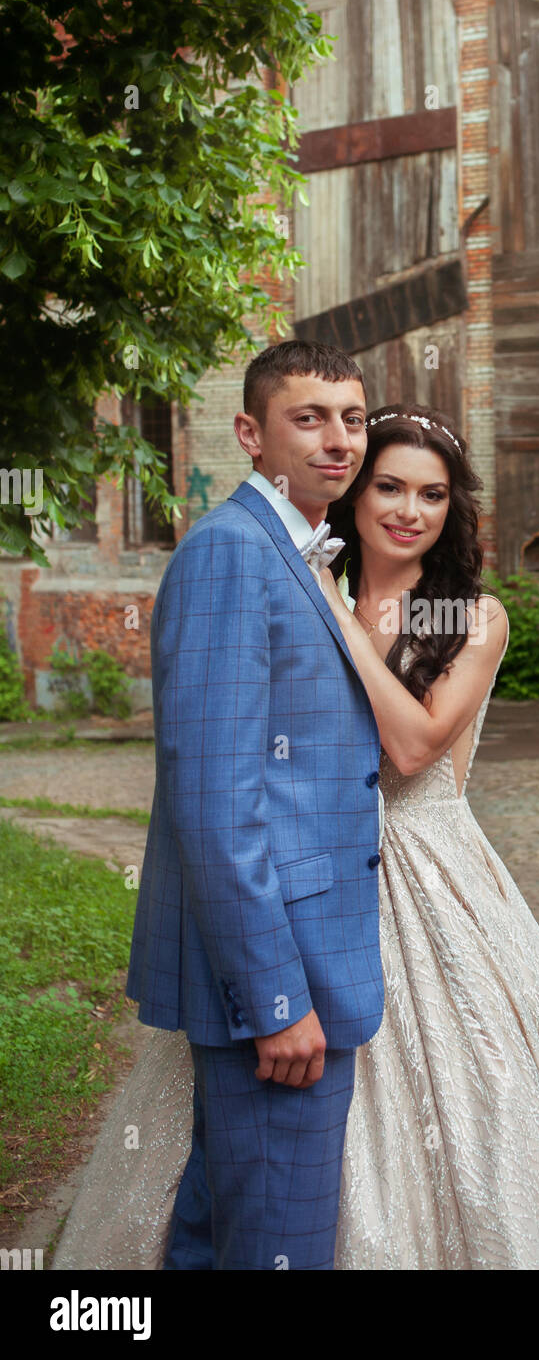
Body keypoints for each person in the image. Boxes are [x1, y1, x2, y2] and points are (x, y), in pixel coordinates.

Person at [52, 394, 539, 1271]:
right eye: (389, 486)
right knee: (259, 1124)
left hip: (430, 872)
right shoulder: (301, 580)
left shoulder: (472, 615)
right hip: (310, 875)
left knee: (483, 1106)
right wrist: (326, 597)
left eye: (432, 496)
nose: (408, 511)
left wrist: (337, 615)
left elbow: (412, 742)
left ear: (452, 509)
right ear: (356, 493)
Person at [122, 339, 384, 1271]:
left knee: (225, 1227)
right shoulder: (231, 554)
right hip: (280, 979)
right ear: (250, 433)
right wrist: (274, 999)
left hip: (303, 958)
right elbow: (213, 800)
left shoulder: (293, 549)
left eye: (351, 419)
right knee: (281, 1244)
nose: (337, 441)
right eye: (307, 419)